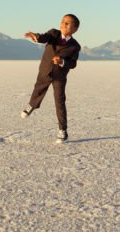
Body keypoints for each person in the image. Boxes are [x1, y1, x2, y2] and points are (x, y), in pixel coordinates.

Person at [21, 14, 81, 142]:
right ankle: (32, 105)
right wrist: (36, 37)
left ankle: (63, 130)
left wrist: (62, 62)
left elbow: (73, 63)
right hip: (45, 70)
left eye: (67, 23)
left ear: (75, 29)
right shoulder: (54, 33)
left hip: (59, 76)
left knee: (59, 102)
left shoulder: (75, 46)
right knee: (38, 89)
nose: (63, 24)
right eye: (62, 21)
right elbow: (44, 37)